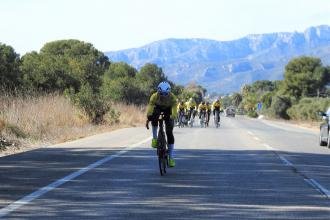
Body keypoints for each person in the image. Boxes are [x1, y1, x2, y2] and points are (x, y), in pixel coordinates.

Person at [147, 81, 177, 167]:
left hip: (168, 109)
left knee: (169, 132)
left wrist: (172, 116)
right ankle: (155, 138)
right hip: (158, 108)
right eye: (161, 94)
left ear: (169, 92)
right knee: (154, 116)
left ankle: (171, 157)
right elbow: (151, 106)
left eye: (165, 94)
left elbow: (174, 108)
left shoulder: (172, 98)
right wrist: (149, 115)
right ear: (158, 92)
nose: (163, 96)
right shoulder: (154, 96)